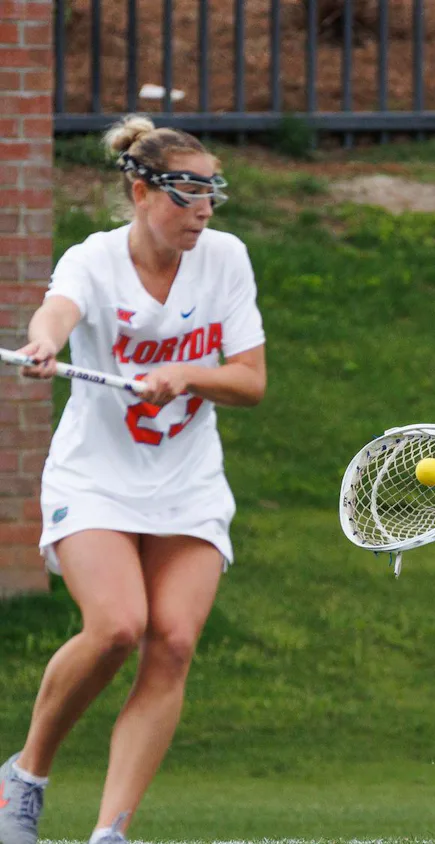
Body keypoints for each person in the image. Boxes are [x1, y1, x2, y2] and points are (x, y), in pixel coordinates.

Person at [0, 116, 265, 844]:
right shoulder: (94, 259)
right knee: (118, 626)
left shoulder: (226, 259)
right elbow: (58, 311)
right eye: (187, 191)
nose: (204, 208)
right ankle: (24, 779)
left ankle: (110, 830)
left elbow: (249, 381)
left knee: (173, 641)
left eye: (212, 191)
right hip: (96, 480)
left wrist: (186, 375)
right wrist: (45, 343)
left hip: (187, 482)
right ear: (141, 190)